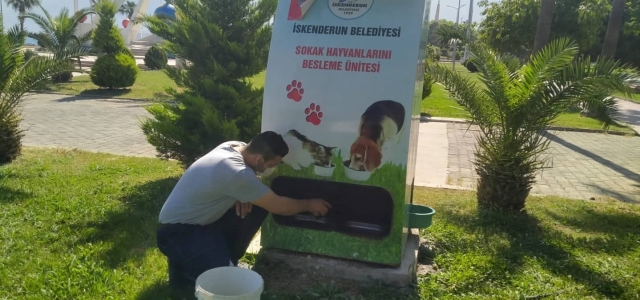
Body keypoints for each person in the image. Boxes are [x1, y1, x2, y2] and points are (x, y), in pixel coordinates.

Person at [156, 131, 332, 290]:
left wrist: (241, 195)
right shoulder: (238, 173)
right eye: (273, 164)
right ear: (259, 160)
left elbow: (230, 178)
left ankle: (204, 264)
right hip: (178, 233)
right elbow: (279, 206)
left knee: (255, 206)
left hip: (199, 224)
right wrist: (309, 204)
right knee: (229, 283)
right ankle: (192, 269)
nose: (273, 168)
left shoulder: (234, 146)